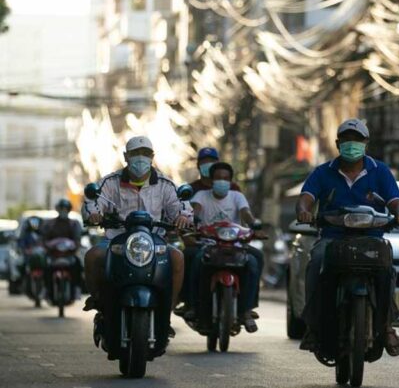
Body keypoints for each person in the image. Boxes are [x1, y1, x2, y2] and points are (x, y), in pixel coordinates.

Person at [295, 118, 399, 357]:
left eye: (356, 140)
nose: (351, 144)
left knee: (387, 269)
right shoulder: (322, 172)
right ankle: (313, 327)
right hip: (333, 239)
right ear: (338, 144)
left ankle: (388, 327)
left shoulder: (380, 171)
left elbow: (395, 201)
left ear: (365, 143)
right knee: (315, 261)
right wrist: (304, 211)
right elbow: (306, 197)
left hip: (372, 239)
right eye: (346, 140)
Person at [81, 136, 192, 319]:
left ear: (152, 156)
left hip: (155, 242)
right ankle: (98, 300)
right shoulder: (110, 183)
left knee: (178, 258)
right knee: (92, 256)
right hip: (116, 241)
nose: (141, 158)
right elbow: (93, 202)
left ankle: (167, 310)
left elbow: (181, 207)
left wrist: (182, 217)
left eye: (146, 153)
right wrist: (94, 214)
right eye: (135, 153)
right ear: (126, 156)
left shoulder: (166, 184)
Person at [185, 161, 264, 333]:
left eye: (226, 178)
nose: (222, 181)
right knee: (197, 261)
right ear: (211, 180)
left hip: (235, 245)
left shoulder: (237, 196)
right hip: (208, 245)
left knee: (254, 260)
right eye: (218, 178)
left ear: (230, 181)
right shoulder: (201, 196)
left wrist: (253, 224)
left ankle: (248, 309)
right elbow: (195, 211)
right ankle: (192, 305)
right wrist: (193, 221)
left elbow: (246, 213)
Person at [41, 199, 84, 294]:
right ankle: (45, 288)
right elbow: (44, 238)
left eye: (65, 209)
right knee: (45, 265)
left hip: (69, 254)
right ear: (58, 210)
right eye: (61, 209)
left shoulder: (74, 224)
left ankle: (77, 288)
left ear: (68, 210)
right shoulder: (50, 223)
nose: (63, 211)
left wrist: (75, 246)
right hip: (53, 254)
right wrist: (48, 246)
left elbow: (77, 239)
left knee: (78, 265)